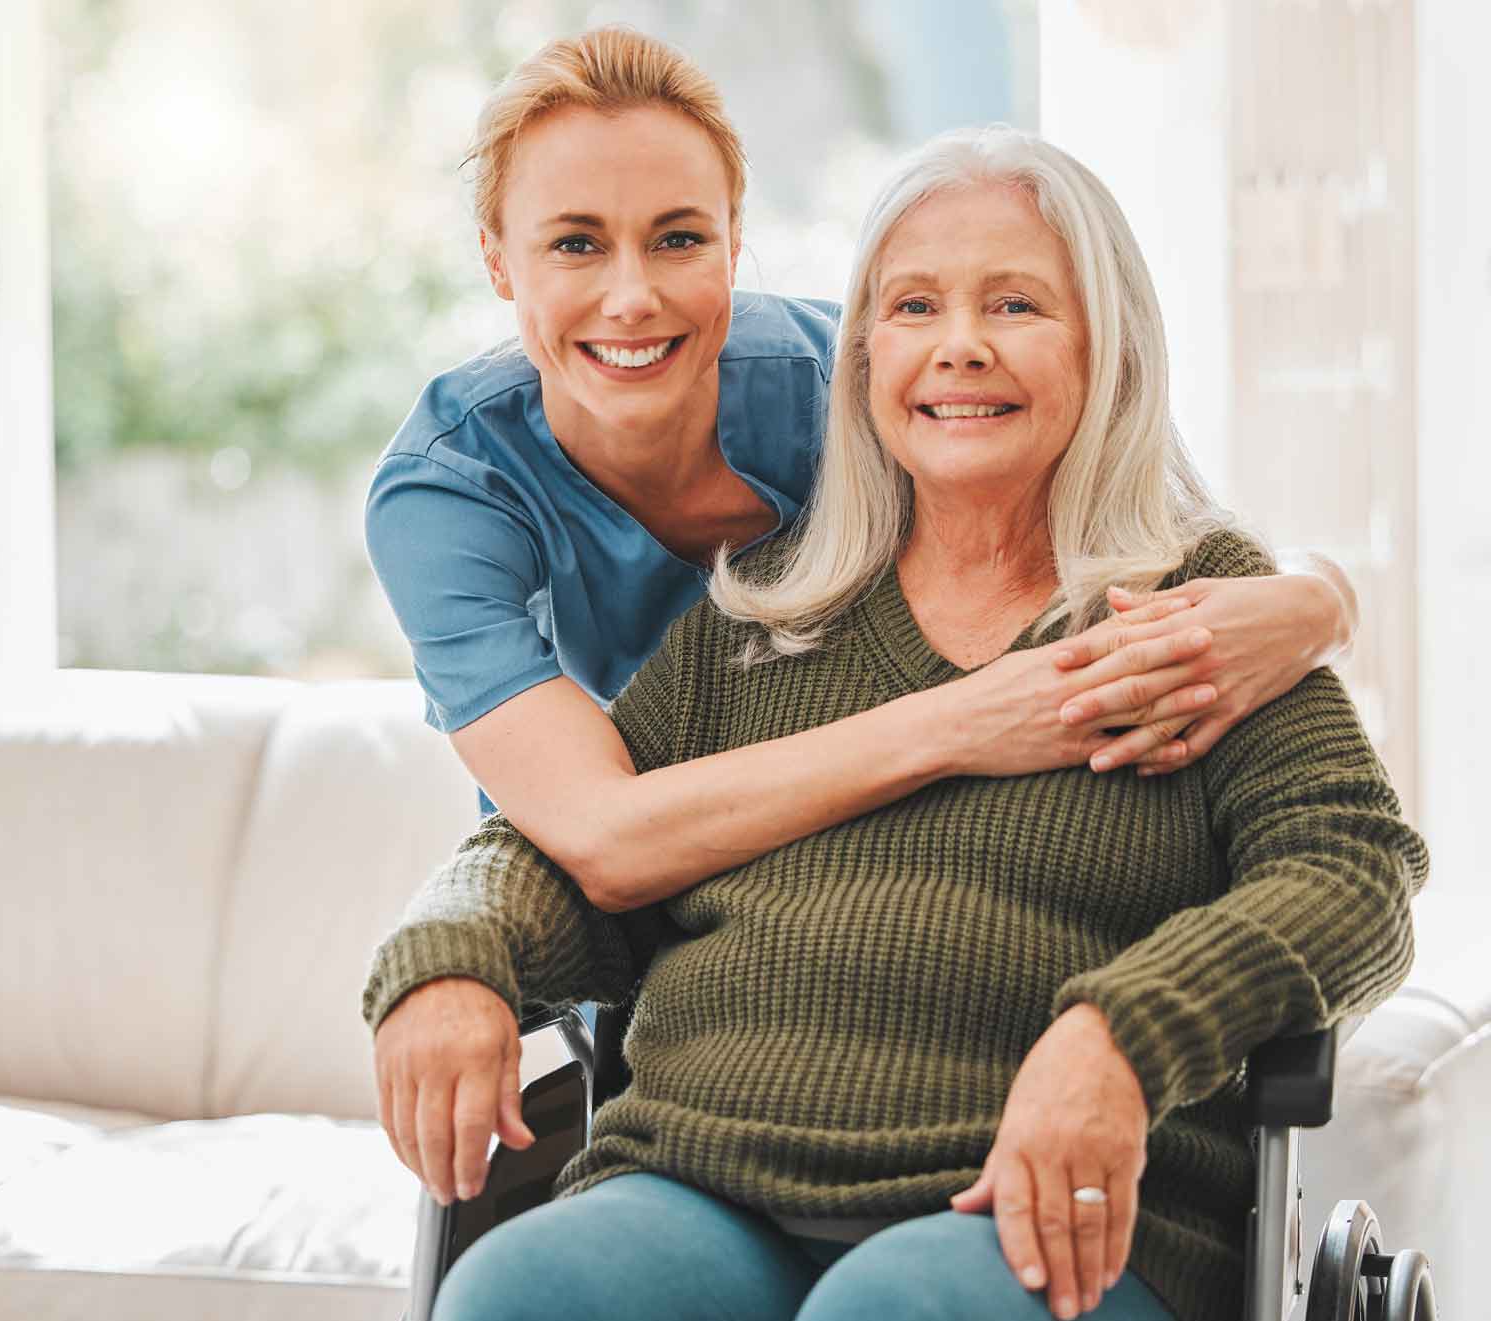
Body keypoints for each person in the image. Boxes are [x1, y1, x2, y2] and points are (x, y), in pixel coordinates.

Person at [363, 125, 1427, 1321]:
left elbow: (1354, 869)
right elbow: (564, 844)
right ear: (865, 354)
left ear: (1108, 343)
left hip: (1021, 1209)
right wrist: (450, 954)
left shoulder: (1188, 616)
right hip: (702, 1180)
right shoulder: (763, 614)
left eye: (1016, 302)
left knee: (889, 1316)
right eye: (913, 305)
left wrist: (1122, 1033)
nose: (958, 345)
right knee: (518, 1293)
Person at [363, 27, 1359, 921]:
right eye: (576, 244)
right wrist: (968, 720)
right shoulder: (451, 490)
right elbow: (603, 836)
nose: (633, 295)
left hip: (843, 886)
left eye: (679, 238)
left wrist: (1319, 597)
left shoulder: (859, 381)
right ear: (498, 260)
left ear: (735, 240)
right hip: (602, 927)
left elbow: (1132, 485)